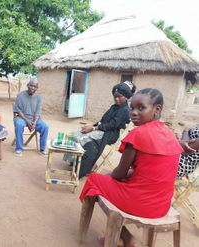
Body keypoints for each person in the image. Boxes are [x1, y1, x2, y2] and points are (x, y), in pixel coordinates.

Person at [79, 88, 184, 247]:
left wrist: (108, 176)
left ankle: (125, 238)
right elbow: (146, 170)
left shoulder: (138, 134)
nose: (133, 112)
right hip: (161, 205)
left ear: (156, 110)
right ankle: (124, 238)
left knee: (95, 179)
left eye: (141, 108)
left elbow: (119, 174)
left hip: (140, 203)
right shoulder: (171, 135)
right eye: (132, 108)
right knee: (116, 181)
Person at [64, 81, 136, 178]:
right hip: (103, 129)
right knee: (74, 134)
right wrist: (93, 126)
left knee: (84, 139)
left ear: (126, 97)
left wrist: (93, 128)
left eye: (119, 97)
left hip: (110, 134)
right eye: (115, 96)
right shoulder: (114, 107)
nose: (116, 99)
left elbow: (112, 125)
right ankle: (75, 162)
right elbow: (104, 120)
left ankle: (88, 167)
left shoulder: (125, 110)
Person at [13, 78, 49, 157]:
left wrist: (35, 123)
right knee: (19, 125)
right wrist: (27, 121)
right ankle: (19, 148)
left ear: (37, 88)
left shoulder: (39, 97)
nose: (32, 88)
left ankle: (42, 149)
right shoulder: (20, 95)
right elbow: (18, 111)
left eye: (34, 86)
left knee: (45, 127)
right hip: (21, 117)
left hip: (34, 119)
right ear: (28, 85)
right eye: (31, 85)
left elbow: (38, 112)